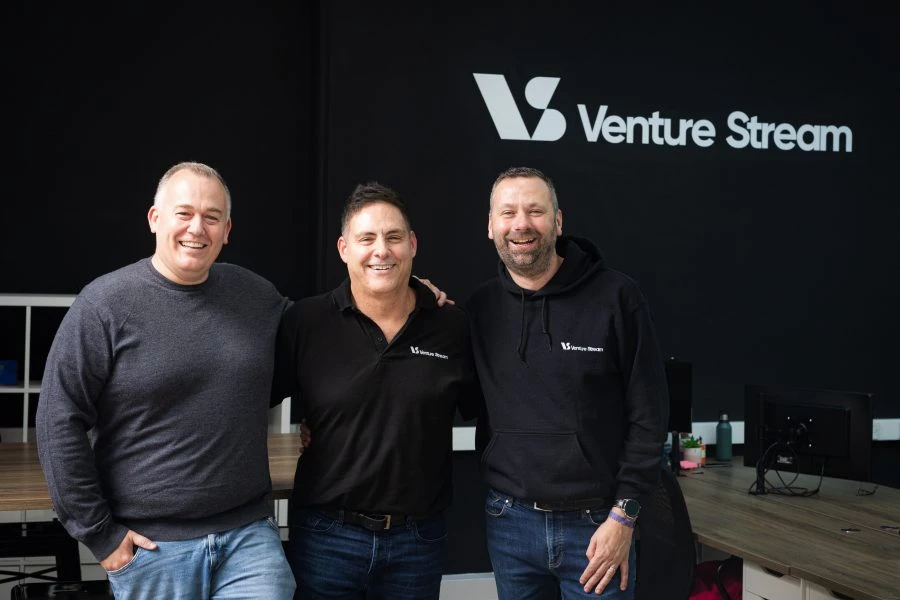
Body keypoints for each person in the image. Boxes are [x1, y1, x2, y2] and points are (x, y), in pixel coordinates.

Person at [36, 162, 296, 599]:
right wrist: (101, 536)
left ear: (227, 229)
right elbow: (57, 418)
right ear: (155, 219)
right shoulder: (104, 304)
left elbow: (327, 334)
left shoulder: (256, 296)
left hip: (248, 536)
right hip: (152, 548)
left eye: (212, 217)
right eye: (184, 213)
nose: (198, 227)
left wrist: (398, 293)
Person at [466, 167, 669, 599]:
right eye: (508, 213)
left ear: (558, 222)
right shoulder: (479, 309)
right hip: (510, 523)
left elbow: (650, 416)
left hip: (598, 527)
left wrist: (624, 517)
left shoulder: (617, 297)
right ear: (491, 226)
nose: (521, 223)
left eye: (535, 211)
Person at [272, 182, 480, 599]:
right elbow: (249, 401)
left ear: (413, 244)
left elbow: (491, 409)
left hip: (417, 542)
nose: (381, 250)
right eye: (366, 238)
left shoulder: (451, 326)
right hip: (325, 537)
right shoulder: (305, 322)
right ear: (344, 248)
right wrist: (278, 447)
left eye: (393, 237)